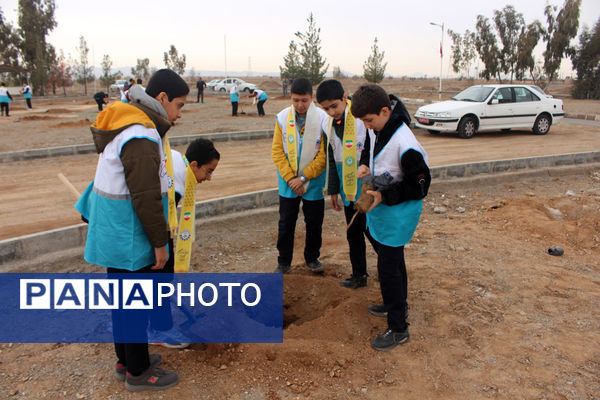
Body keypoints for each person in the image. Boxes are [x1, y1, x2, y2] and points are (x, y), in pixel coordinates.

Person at [75, 69, 189, 392]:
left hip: (116, 231)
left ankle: (127, 359)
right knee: (133, 304)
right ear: (162, 99)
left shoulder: (128, 122)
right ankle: (138, 373)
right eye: (179, 106)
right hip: (128, 233)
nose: (179, 115)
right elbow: (146, 195)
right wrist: (159, 243)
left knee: (123, 303)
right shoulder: (140, 133)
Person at [350, 84, 431, 352]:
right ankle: (395, 301)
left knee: (388, 267)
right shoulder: (379, 127)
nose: (367, 126)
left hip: (400, 211)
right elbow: (370, 149)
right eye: (363, 121)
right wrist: (364, 163)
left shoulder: (405, 144)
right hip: (386, 209)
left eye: (369, 120)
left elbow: (421, 185)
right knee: (393, 261)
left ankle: (399, 328)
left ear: (385, 111)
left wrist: (386, 196)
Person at [272, 77, 328, 274]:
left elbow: (323, 155)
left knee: (314, 223)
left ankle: (312, 258)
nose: (300, 105)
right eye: (295, 100)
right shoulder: (282, 118)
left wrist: (303, 178)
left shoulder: (323, 119)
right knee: (286, 223)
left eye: (304, 100)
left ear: (311, 98)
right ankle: (283, 261)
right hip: (288, 184)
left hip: (313, 182)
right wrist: (291, 179)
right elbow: (277, 152)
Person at [316, 79, 368, 289]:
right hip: (347, 191)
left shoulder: (361, 120)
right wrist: (334, 190)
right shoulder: (327, 124)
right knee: (353, 232)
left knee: (373, 233)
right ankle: (359, 275)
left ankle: (388, 273)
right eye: (325, 108)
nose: (330, 112)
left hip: (366, 188)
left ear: (345, 98)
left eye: (334, 106)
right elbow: (331, 156)